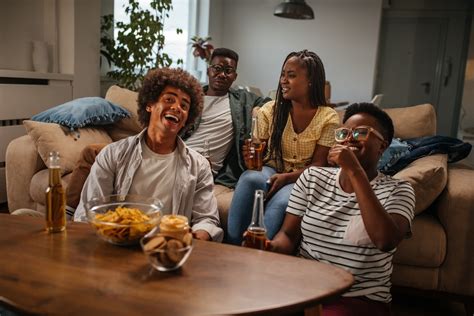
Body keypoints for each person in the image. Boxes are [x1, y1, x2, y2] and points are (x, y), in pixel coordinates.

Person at [66, 47, 270, 211]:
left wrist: (258, 111)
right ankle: (68, 211)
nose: (222, 74)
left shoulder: (241, 101)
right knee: (91, 151)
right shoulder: (189, 94)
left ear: (235, 76)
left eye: (228, 70)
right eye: (217, 68)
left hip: (200, 162)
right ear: (208, 70)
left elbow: (272, 103)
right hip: (171, 147)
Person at [269, 103, 416, 315]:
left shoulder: (399, 190)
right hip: (303, 288)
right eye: (344, 133)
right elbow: (289, 235)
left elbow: (385, 240)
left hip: (357, 297)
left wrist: (354, 170)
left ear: (382, 146)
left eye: (360, 132)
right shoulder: (313, 178)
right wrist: (270, 248)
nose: (349, 139)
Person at [74, 67, 223, 242]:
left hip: (166, 250)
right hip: (118, 245)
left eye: (184, 105)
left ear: (186, 119)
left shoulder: (199, 166)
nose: (177, 107)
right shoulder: (112, 155)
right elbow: (89, 211)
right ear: (150, 105)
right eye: (169, 99)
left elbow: (207, 219)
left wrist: (197, 236)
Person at [227, 50, 340, 244]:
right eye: (283, 74)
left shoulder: (328, 117)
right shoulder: (270, 110)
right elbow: (257, 160)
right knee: (251, 179)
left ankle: (257, 251)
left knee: (283, 202)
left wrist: (286, 178)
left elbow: (319, 165)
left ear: (311, 80)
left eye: (291, 75)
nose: (283, 81)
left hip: (303, 177)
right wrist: (250, 158)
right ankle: (232, 244)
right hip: (271, 168)